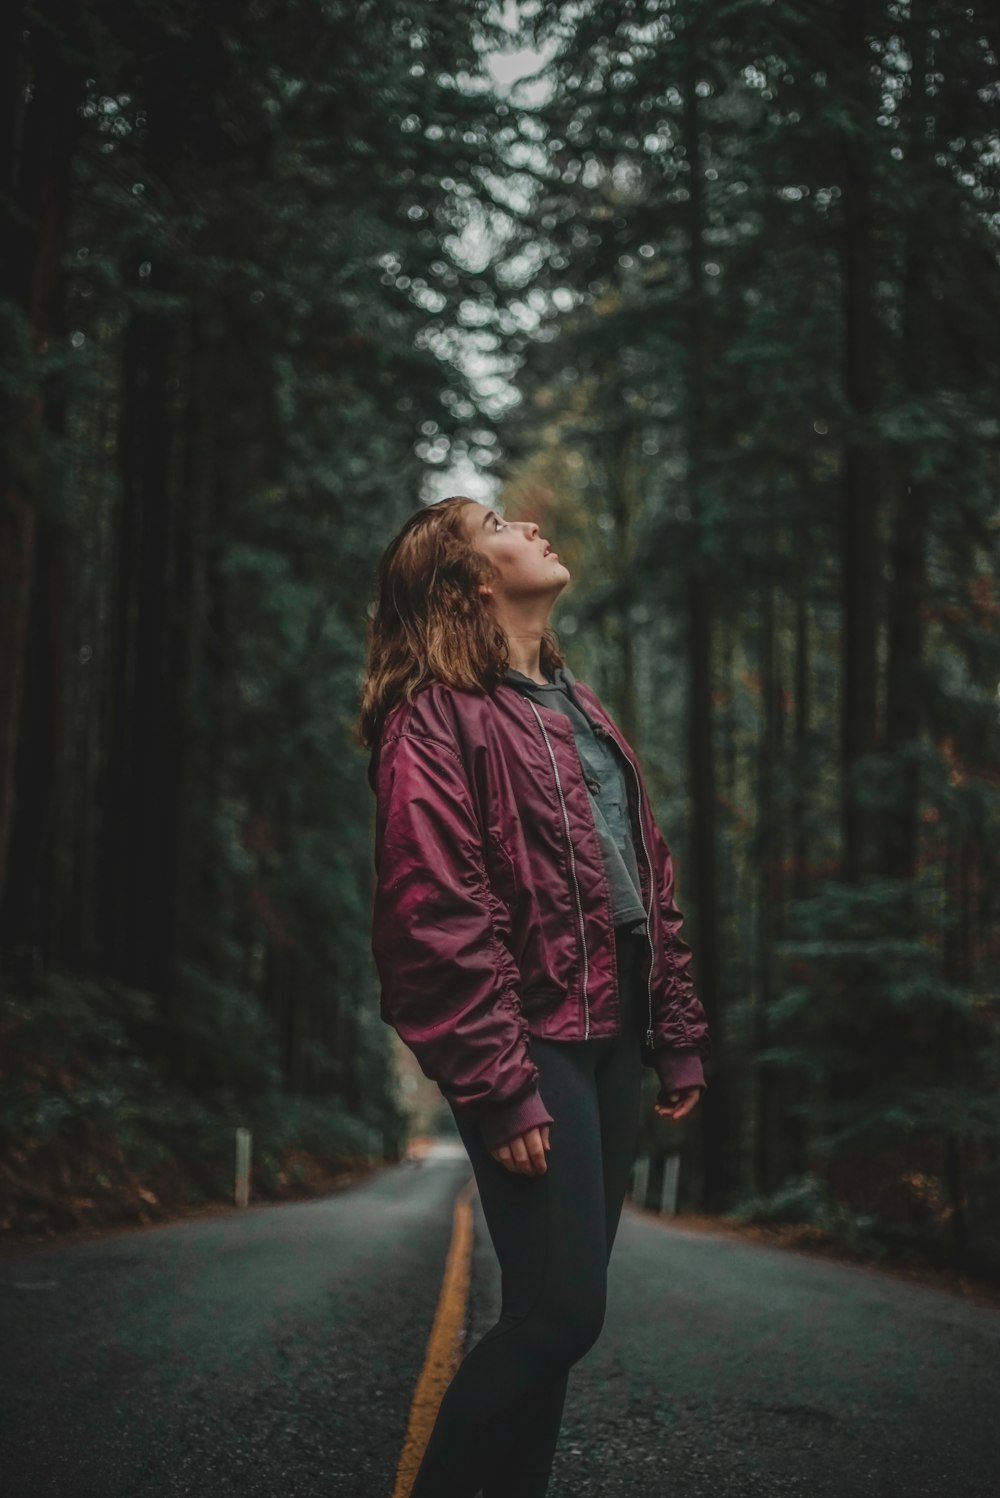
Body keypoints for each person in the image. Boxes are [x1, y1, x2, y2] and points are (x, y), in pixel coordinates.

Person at [356, 495, 713, 1498]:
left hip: (613, 1031)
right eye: (499, 523)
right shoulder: (433, 717)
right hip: (533, 1034)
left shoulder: (577, 705)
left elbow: (647, 875)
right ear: (469, 579)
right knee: (560, 1315)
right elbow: (434, 912)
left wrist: (673, 1032)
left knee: (549, 1323)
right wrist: (499, 1081)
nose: (531, 526)